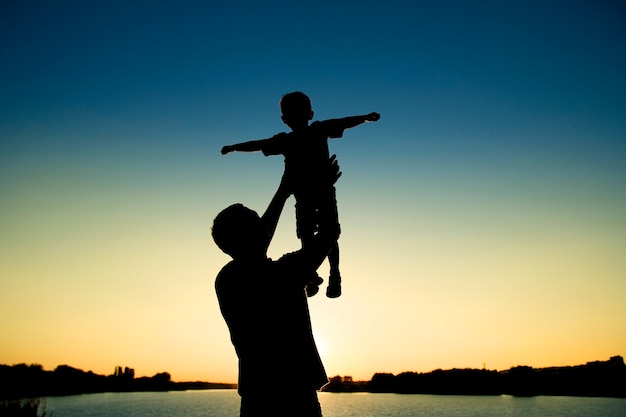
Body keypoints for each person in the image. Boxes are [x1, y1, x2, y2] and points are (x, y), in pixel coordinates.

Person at [212, 156, 342, 417]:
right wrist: (326, 191)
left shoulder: (227, 278)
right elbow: (329, 232)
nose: (264, 225)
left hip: (256, 395)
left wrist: (283, 192)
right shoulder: (284, 272)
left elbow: (257, 239)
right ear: (248, 235)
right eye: (256, 221)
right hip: (295, 396)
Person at [221, 91, 380, 298]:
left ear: (308, 115)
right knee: (311, 233)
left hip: (321, 192)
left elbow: (344, 122)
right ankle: (312, 273)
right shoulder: (287, 140)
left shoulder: (317, 130)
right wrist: (234, 148)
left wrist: (365, 118)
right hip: (306, 194)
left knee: (327, 233)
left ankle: (333, 273)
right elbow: (259, 144)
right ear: (285, 119)